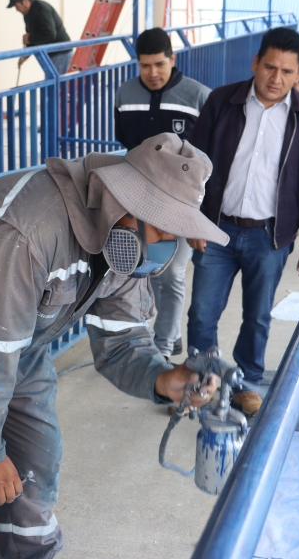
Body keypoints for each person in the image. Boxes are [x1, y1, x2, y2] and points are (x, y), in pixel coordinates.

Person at [0, 133, 226, 558]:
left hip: (14, 342)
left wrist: (162, 378)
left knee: (35, 466)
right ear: (126, 203)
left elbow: (119, 343)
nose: (167, 246)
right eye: (163, 228)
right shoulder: (30, 230)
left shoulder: (126, 247)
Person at [186, 27, 299, 417]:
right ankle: (202, 382)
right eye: (269, 67)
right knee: (202, 312)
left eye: (287, 71)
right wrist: (193, 221)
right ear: (255, 63)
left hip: (270, 237)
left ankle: (247, 384)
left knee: (257, 316)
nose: (276, 78)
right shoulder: (222, 102)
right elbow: (192, 167)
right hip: (215, 229)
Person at [114, 27, 211, 359]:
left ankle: (163, 349)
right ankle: (173, 332)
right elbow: (126, 145)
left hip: (183, 204)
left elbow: (210, 158)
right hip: (140, 200)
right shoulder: (125, 95)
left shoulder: (199, 97)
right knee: (151, 271)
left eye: (159, 64)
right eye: (145, 66)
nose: (152, 73)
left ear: (173, 58)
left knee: (170, 274)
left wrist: (200, 215)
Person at [8, 0, 73, 75]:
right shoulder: (27, 15)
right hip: (50, 55)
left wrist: (30, 38)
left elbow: (50, 34)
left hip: (60, 53)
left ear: (25, 1)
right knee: (52, 85)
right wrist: (25, 55)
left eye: (17, 6)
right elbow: (33, 38)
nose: (16, 10)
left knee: (55, 86)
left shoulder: (42, 9)